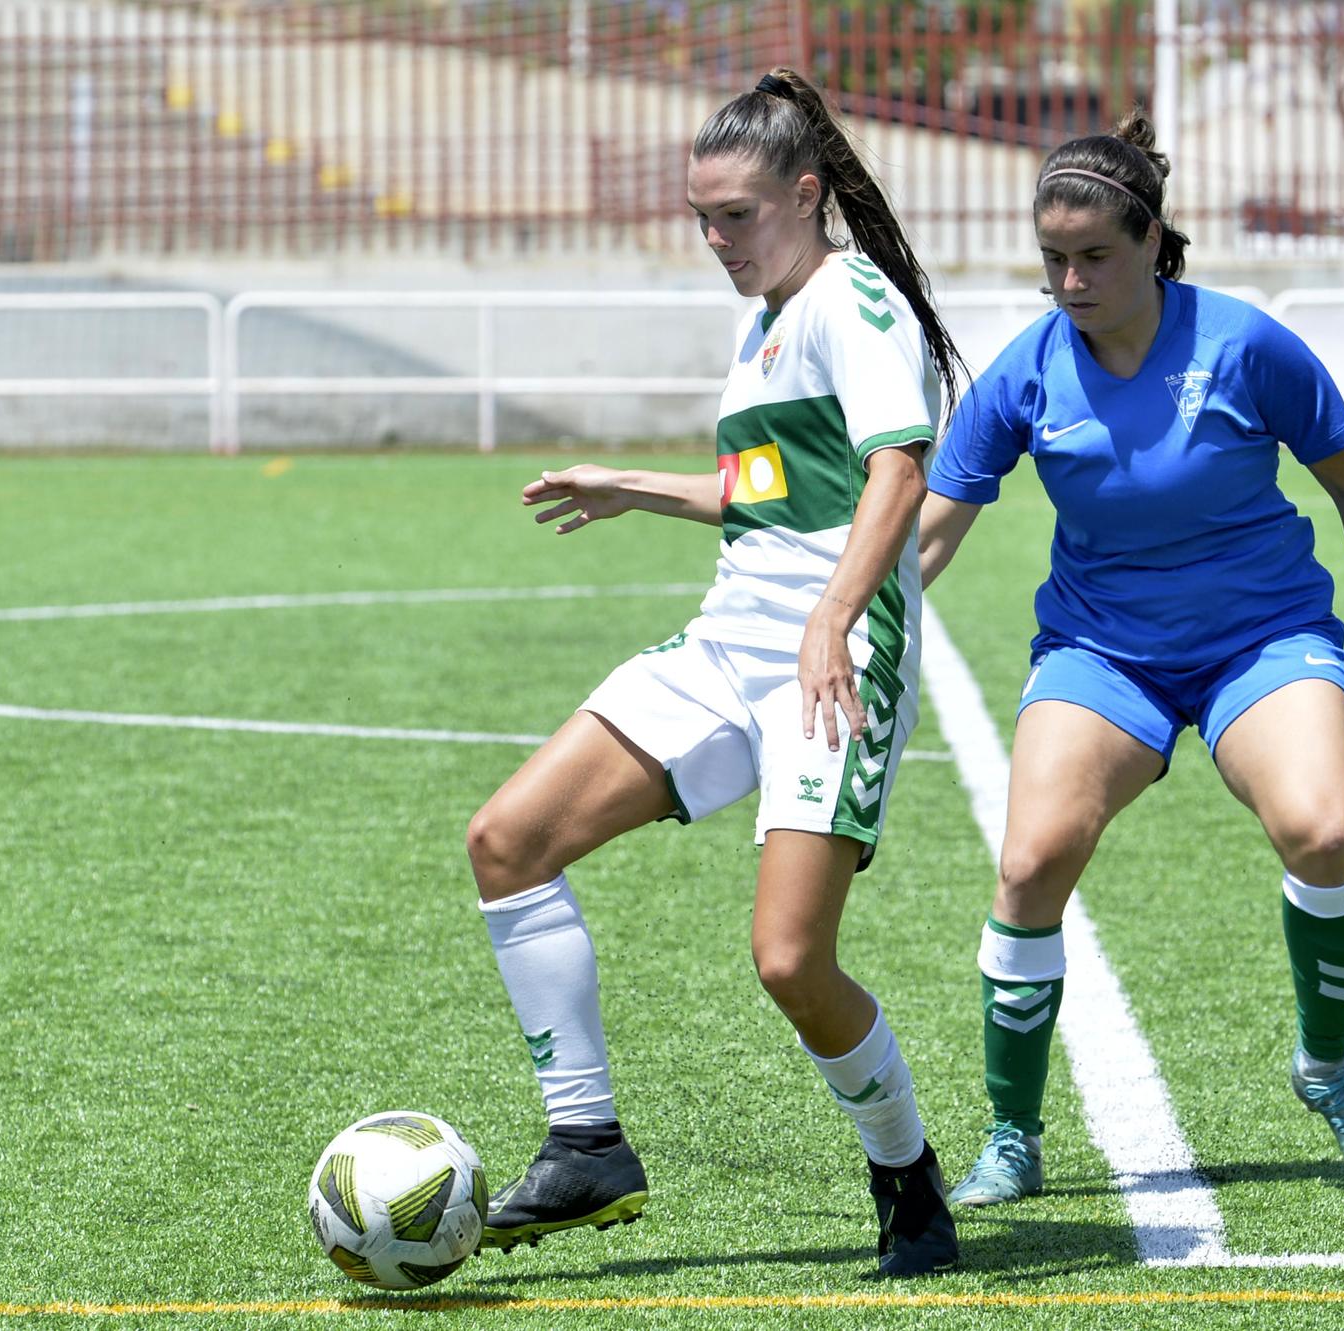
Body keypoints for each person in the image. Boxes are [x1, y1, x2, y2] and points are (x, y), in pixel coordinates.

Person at [917, 111, 1344, 1205]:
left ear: (1151, 242)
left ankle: (1323, 1066)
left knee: (1321, 831)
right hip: (1099, 652)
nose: (1069, 282)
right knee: (1029, 864)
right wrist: (847, 621)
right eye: (1051, 261)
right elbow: (932, 527)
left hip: (1258, 638)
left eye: (1093, 257)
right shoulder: (1025, 371)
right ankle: (1012, 1133)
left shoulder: (1245, 344)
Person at [463, 68, 965, 1276]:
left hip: (831, 664)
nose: (714, 239)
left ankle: (906, 1178)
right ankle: (585, 1140)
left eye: (734, 215)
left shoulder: (856, 300)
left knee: (790, 959)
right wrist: (635, 486)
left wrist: (833, 617)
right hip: (728, 642)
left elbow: (899, 472)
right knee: (506, 840)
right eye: (701, 217)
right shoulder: (767, 318)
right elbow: (773, 493)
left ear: (804, 194)